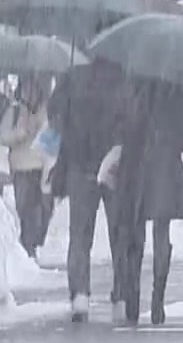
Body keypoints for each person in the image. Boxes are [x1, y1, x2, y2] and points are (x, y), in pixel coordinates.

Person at [109, 77, 183, 326]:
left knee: (134, 232)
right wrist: (170, 143)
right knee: (162, 233)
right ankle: (158, 299)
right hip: (166, 167)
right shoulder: (176, 90)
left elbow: (120, 125)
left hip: (136, 166)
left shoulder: (134, 85)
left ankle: (133, 298)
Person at [50, 59, 128, 322]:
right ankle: (121, 294)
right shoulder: (122, 80)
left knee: (80, 234)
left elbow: (56, 116)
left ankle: (80, 295)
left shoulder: (74, 77)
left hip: (79, 164)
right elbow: (132, 121)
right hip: (113, 165)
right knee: (120, 233)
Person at [0, 75, 53, 257]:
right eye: (25, 90)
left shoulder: (46, 112)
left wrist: (40, 130)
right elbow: (4, 137)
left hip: (41, 166)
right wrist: (21, 133)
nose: (29, 94)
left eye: (32, 90)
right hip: (21, 167)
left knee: (42, 209)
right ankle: (28, 246)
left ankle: (34, 240)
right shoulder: (14, 111)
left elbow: (52, 137)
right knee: (25, 208)